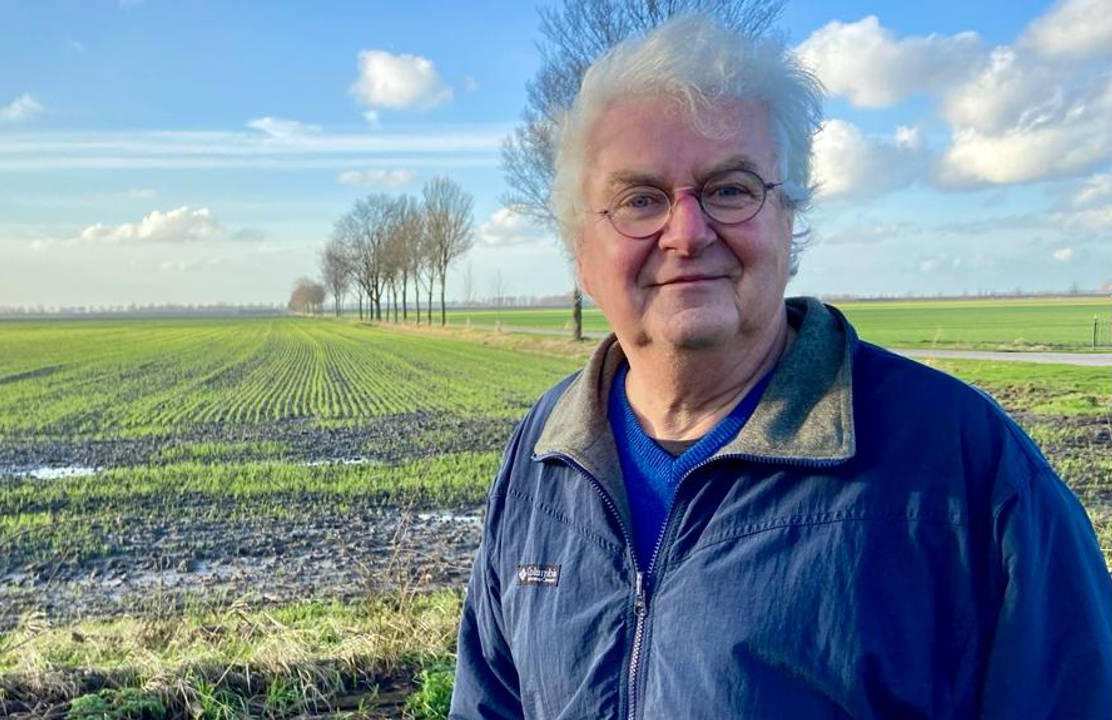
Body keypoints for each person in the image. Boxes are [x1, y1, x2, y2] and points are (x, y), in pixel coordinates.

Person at [450, 12, 1112, 719]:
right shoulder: (543, 456)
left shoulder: (964, 465)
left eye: (730, 189)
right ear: (582, 252)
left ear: (789, 221)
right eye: (640, 199)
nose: (687, 231)